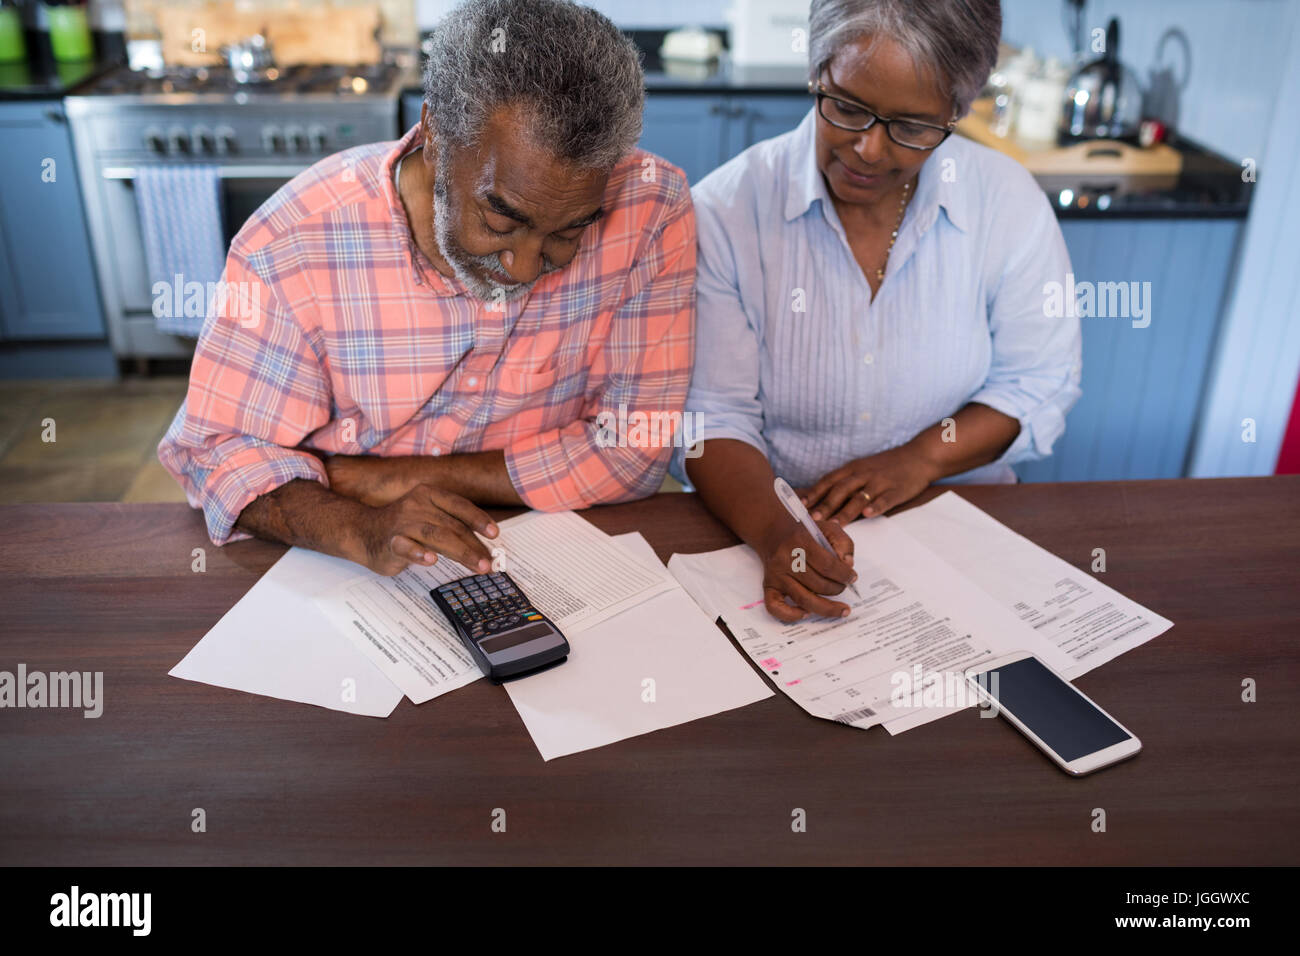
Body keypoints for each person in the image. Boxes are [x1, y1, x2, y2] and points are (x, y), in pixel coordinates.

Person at [158, 0, 696, 576]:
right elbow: (218, 454)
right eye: (500, 219)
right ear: (435, 135)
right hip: (337, 563)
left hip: (550, 552)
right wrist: (357, 526)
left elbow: (637, 448)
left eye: (568, 232)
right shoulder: (295, 240)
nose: (521, 268)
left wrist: (379, 478)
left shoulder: (650, 208)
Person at [677, 0, 1080, 622]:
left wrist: (922, 458)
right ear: (818, 72)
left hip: (963, 525)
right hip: (780, 525)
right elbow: (714, 418)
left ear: (957, 110)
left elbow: (1037, 382)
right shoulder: (728, 212)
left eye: (913, 127)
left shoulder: (1005, 202)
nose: (867, 149)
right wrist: (777, 532)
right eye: (846, 107)